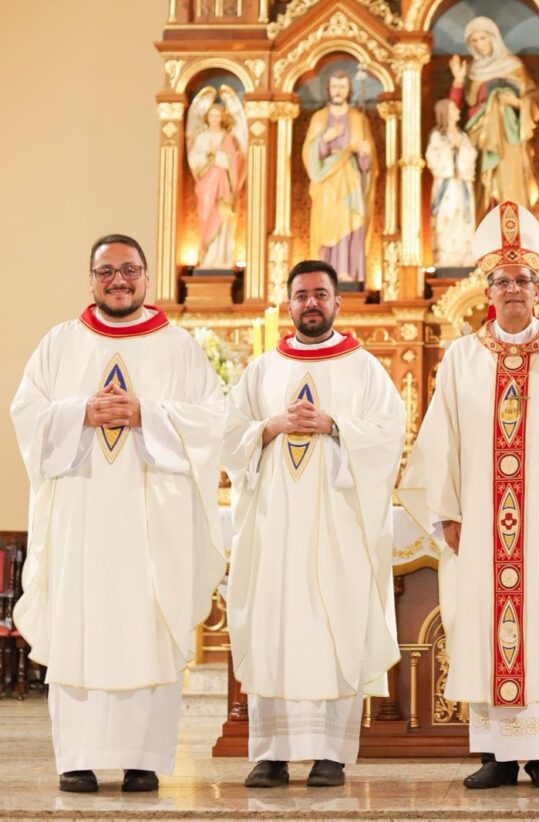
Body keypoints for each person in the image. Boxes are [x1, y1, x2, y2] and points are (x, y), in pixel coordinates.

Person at [399, 201, 539, 789]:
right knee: (485, 623)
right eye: (500, 281)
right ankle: (497, 754)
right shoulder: (461, 358)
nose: (511, 290)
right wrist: (445, 512)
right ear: (486, 290)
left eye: (522, 280)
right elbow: (439, 439)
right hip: (481, 522)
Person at [10, 234, 226, 793]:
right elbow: (27, 412)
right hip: (80, 519)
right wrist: (79, 412)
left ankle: (142, 759)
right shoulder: (60, 344)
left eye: (129, 270)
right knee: (80, 624)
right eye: (106, 272)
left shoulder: (178, 347)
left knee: (146, 627)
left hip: (153, 524)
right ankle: (76, 758)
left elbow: (213, 419)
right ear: (91, 279)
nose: (118, 280)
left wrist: (147, 415)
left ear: (146, 277)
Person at [225, 260, 405, 789]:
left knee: (336, 624)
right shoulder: (262, 370)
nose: (311, 303)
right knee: (273, 622)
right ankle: (271, 753)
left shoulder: (364, 368)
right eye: (301, 295)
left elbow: (391, 435)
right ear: (288, 303)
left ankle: (331, 753)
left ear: (336, 303)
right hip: (273, 530)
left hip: (339, 532)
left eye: (320, 295)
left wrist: (335, 426)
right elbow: (228, 436)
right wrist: (269, 427)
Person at [449, 17, 539, 220]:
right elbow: (454, 110)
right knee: (482, 187)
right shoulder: (472, 70)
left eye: (482, 38)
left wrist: (516, 103)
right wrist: (457, 79)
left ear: (493, 37)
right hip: (479, 137)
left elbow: (532, 98)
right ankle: (482, 234)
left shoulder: (513, 65)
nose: (479, 45)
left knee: (509, 183)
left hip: (509, 139)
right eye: (473, 41)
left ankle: (512, 237)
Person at [302, 71, 377, 285]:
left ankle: (347, 272)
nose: (338, 91)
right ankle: (326, 271)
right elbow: (308, 153)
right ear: (328, 89)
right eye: (334, 86)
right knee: (327, 224)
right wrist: (325, 139)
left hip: (349, 179)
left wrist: (364, 154)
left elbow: (369, 165)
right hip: (326, 182)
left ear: (349, 90)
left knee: (350, 222)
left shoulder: (357, 118)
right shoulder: (319, 118)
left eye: (342, 87)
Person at [186, 96, 246, 269]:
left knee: (223, 216)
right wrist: (208, 157)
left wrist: (219, 157)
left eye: (217, 116)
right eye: (211, 115)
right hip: (206, 184)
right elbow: (194, 160)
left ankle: (222, 258)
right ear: (207, 118)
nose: (214, 119)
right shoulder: (202, 138)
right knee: (205, 215)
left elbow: (235, 161)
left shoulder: (227, 138)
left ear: (222, 118)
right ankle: (206, 257)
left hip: (222, 183)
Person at [426, 98, 478, 267]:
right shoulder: (437, 136)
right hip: (446, 188)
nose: (458, 111)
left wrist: (460, 150)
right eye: (454, 109)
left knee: (464, 218)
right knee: (446, 218)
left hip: (461, 184)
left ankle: (465, 257)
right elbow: (433, 159)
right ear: (446, 113)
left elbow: (471, 156)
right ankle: (446, 258)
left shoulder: (463, 136)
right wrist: (450, 150)